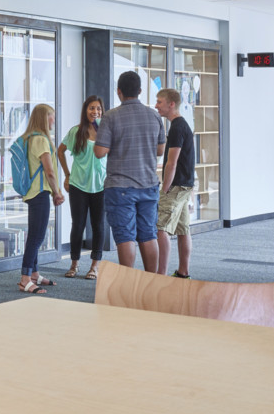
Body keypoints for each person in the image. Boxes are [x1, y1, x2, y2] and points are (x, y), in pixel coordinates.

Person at [95, 70, 166, 271]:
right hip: (149, 185)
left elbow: (100, 152)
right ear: (140, 91)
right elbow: (160, 149)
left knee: (125, 236)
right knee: (148, 234)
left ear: (119, 92)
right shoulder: (154, 115)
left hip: (120, 187)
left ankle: (129, 283)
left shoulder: (111, 116)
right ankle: (152, 282)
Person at [16, 103, 64, 294]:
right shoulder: (41, 140)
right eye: (51, 115)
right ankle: (25, 279)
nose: (54, 119)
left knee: (35, 234)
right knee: (36, 236)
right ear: (44, 118)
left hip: (32, 193)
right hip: (40, 193)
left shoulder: (29, 138)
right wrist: (57, 192)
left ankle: (34, 274)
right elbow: (49, 171)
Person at [57, 96, 106, 280]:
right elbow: (60, 151)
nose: (96, 112)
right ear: (85, 110)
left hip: (100, 185)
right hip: (78, 185)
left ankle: (95, 266)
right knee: (77, 225)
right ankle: (74, 263)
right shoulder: (76, 131)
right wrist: (67, 175)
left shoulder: (105, 132)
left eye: (99, 109)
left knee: (98, 225)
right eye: (92, 108)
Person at [155, 87, 195, 278]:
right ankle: (182, 271)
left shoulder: (178, 127)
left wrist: (164, 188)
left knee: (161, 228)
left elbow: (172, 162)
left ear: (171, 104)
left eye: (160, 102)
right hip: (184, 184)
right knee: (182, 228)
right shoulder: (179, 125)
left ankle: (160, 275)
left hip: (176, 185)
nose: (156, 106)